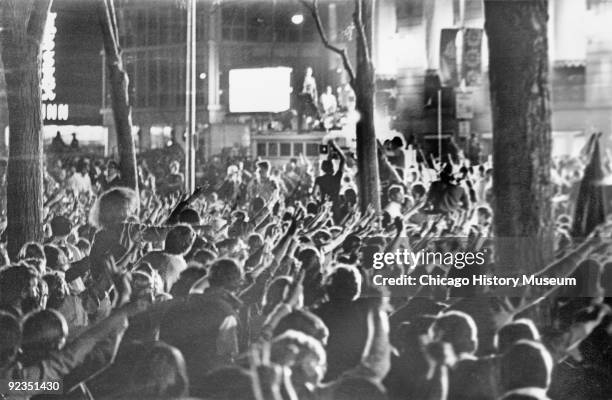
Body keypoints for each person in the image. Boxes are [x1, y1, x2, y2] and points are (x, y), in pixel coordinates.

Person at [314, 140, 345, 206]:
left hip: (324, 208)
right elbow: (343, 159)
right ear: (332, 167)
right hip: (336, 207)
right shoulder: (337, 177)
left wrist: (320, 203)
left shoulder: (319, 179)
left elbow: (314, 195)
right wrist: (335, 146)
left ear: (322, 168)